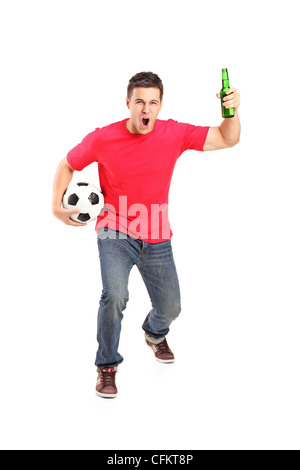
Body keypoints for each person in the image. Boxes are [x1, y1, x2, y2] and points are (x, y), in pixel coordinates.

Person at [52, 71, 241, 398]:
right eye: (140, 101)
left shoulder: (174, 133)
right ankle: (106, 366)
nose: (146, 108)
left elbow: (228, 138)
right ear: (128, 103)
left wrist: (232, 110)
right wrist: (57, 206)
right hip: (115, 230)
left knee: (171, 308)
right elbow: (66, 164)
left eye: (153, 102)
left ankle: (154, 333)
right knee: (115, 295)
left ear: (160, 105)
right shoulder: (103, 138)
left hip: (156, 234)